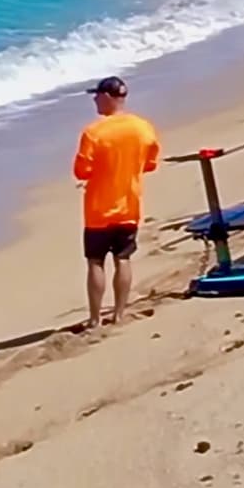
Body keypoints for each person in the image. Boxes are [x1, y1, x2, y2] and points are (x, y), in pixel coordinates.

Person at [73, 75, 160, 328]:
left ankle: (94, 318)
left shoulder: (93, 133)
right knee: (123, 259)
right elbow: (151, 163)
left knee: (96, 262)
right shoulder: (143, 128)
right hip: (129, 205)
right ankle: (119, 314)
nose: (95, 100)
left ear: (109, 97)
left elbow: (81, 171)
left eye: (97, 96)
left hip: (98, 209)